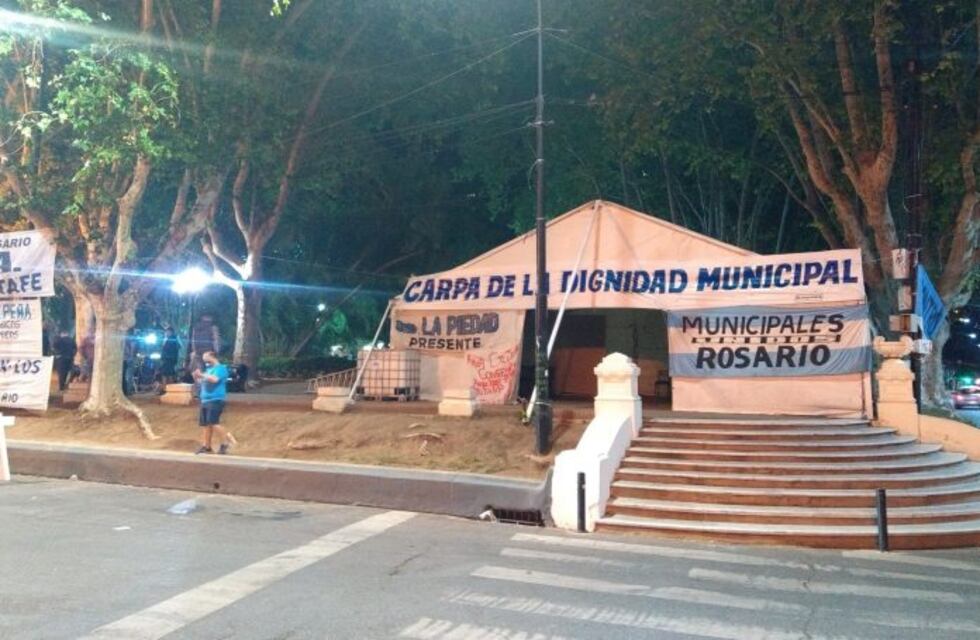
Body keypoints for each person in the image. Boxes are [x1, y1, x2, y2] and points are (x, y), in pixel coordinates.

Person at [192, 351, 236, 455]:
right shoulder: (209, 370)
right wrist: (196, 376)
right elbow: (202, 382)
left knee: (214, 422)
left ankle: (226, 443)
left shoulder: (221, 368)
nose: (205, 361)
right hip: (205, 399)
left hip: (215, 399)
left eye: (206, 358)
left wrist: (202, 374)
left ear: (213, 357)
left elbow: (215, 380)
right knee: (206, 424)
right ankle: (206, 446)